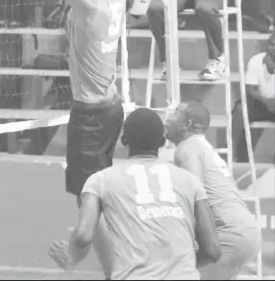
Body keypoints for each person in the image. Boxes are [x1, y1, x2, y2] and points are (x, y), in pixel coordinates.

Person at [40, 0, 126, 279]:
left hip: (91, 116)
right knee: (97, 194)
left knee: (89, 200)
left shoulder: (89, 5)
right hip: (111, 109)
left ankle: (104, 265)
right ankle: (112, 268)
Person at [49, 107, 222, 280]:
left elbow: (83, 235)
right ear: (162, 142)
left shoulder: (100, 180)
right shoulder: (191, 181)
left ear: (124, 140)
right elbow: (213, 250)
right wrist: (179, 267)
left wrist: (70, 255)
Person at [166, 101, 261, 280]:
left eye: (174, 113)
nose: (167, 118)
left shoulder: (188, 147)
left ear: (187, 124)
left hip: (230, 234)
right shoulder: (202, 146)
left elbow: (193, 197)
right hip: (243, 232)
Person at [232, 33, 275, 162]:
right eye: (272, 45)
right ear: (267, 46)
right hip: (259, 102)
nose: (274, 48)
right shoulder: (256, 60)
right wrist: (266, 101)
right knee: (239, 110)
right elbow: (250, 89)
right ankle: (232, 152)